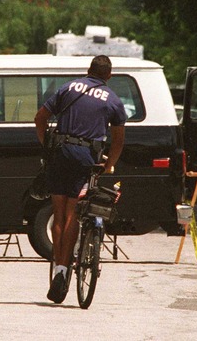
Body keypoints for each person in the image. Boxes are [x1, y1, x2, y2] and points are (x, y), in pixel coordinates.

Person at [34, 55, 126, 304]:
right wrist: (108, 165)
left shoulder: (68, 87)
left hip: (60, 154)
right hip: (85, 157)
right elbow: (118, 141)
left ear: (88, 70)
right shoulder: (113, 100)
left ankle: (59, 270)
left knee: (59, 212)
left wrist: (47, 146)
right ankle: (65, 268)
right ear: (108, 75)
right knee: (74, 213)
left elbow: (39, 118)